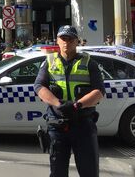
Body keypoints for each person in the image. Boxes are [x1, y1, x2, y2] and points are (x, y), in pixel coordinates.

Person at [33, 25, 104, 177]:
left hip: (83, 124)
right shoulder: (49, 62)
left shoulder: (89, 63)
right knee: (57, 173)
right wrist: (59, 104)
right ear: (57, 41)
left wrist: (78, 105)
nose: (66, 42)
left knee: (89, 172)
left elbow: (99, 91)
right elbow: (39, 86)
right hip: (57, 126)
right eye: (63, 38)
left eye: (70, 39)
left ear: (77, 41)